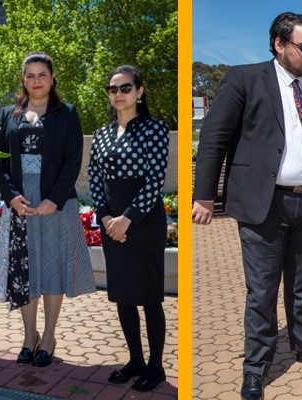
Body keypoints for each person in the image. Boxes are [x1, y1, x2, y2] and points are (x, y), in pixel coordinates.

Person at [192, 11, 302, 400]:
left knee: (301, 285)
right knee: (261, 291)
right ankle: (256, 367)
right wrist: (204, 196)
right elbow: (214, 139)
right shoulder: (244, 79)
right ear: (279, 44)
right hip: (264, 204)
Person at [0, 52, 95, 368]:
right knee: (25, 271)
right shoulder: (8, 114)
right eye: (30, 75)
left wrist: (54, 198)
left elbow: (72, 160)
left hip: (56, 203)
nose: (36, 81)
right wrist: (11, 196)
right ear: (23, 80)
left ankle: (48, 337)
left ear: (52, 79)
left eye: (42, 75)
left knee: (52, 268)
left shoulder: (67, 114)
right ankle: (28, 337)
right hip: (21, 203)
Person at [88, 65, 170, 392]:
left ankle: (155, 367)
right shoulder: (103, 134)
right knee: (123, 296)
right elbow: (95, 179)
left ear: (139, 91)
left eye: (125, 88)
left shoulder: (155, 128)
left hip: (144, 223)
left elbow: (155, 179)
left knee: (149, 298)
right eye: (113, 89)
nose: (118, 94)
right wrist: (107, 218)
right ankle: (135, 360)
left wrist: (127, 218)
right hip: (112, 225)